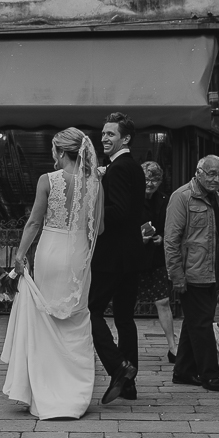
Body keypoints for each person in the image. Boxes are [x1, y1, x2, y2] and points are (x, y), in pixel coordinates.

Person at [0, 128, 104, 420]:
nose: (52, 156)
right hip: (79, 255)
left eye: (53, 151)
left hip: (51, 250)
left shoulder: (47, 181)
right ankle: (75, 394)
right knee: (76, 316)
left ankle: (45, 390)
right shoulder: (95, 182)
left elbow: (34, 222)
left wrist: (20, 255)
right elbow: (99, 228)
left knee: (46, 318)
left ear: (61, 152)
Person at [90, 112, 145, 404]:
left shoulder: (120, 168)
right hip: (130, 254)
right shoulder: (130, 167)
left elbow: (121, 211)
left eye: (110, 134)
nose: (104, 138)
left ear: (125, 139)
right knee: (124, 318)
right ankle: (129, 386)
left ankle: (118, 367)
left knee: (91, 311)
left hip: (113, 255)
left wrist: (92, 213)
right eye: (103, 134)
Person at [164, 155, 219, 392]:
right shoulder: (182, 197)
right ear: (199, 172)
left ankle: (183, 371)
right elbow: (171, 240)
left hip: (211, 272)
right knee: (202, 324)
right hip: (191, 273)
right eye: (212, 174)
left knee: (195, 322)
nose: (217, 179)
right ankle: (210, 374)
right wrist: (176, 275)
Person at [138, 161, 177, 363]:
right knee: (126, 304)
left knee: (163, 302)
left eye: (154, 179)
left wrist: (162, 237)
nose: (150, 183)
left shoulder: (165, 200)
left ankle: (172, 347)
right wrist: (138, 238)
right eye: (146, 178)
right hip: (134, 259)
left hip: (156, 258)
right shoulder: (131, 199)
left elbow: (171, 228)